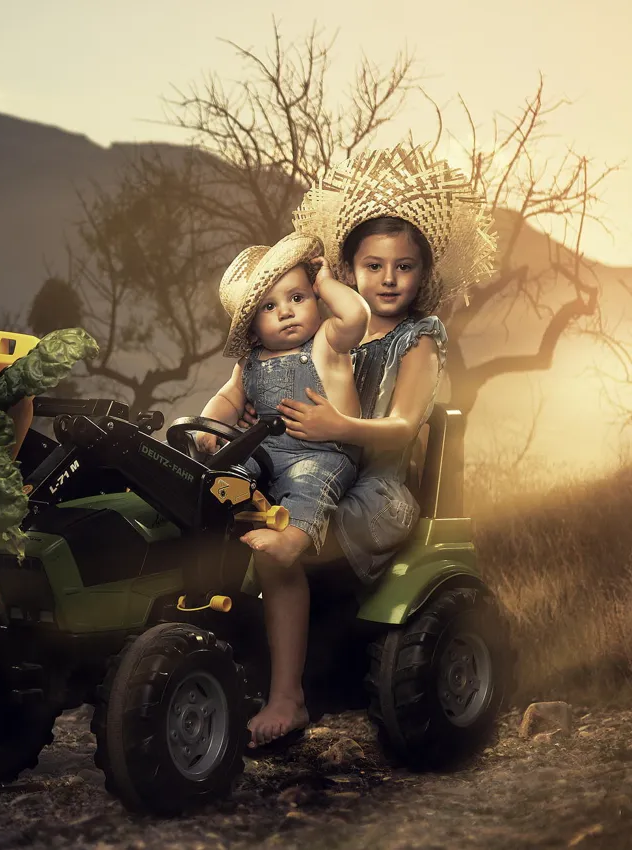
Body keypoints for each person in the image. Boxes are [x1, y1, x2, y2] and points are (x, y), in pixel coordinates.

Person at [255, 145, 497, 586]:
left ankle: (309, 643)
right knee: (241, 515)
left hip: (374, 492)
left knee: (292, 537)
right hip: (316, 470)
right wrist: (266, 415)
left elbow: (404, 425)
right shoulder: (333, 331)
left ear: (423, 273)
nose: (389, 278)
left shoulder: (419, 337)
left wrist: (336, 426)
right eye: (374, 265)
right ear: (349, 270)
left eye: (404, 266)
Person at [197, 230, 371, 747]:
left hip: (321, 457)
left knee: (303, 487)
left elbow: (356, 317)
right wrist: (208, 428)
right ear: (252, 327)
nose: (288, 312)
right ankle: (236, 511)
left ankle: (294, 531)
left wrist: (322, 276)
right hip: (265, 457)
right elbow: (226, 401)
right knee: (229, 469)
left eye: (297, 297)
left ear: (315, 299)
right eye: (270, 307)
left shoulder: (328, 342)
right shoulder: (248, 364)